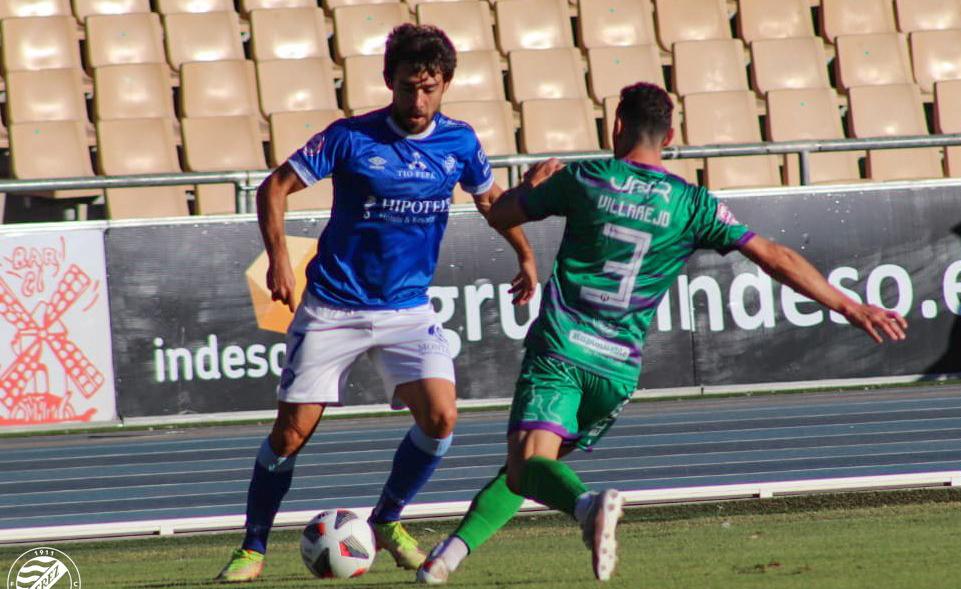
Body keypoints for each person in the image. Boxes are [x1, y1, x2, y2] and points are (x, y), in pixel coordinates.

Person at [416, 82, 909, 584]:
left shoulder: (586, 178)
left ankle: (588, 508)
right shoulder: (692, 203)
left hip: (562, 350)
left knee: (528, 468)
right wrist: (848, 305)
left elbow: (499, 213)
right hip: (618, 372)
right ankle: (445, 559)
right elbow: (773, 256)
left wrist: (529, 183)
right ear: (670, 136)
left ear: (616, 126)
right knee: (534, 468)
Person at [216, 24, 538, 583]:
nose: (419, 100)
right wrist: (278, 260)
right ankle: (253, 546)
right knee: (291, 433)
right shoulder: (350, 137)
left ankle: (387, 519)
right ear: (389, 81)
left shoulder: (460, 142)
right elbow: (274, 187)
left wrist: (526, 257)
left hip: (407, 309)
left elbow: (491, 201)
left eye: (430, 88)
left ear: (445, 86)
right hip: (332, 306)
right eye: (409, 87)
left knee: (441, 419)